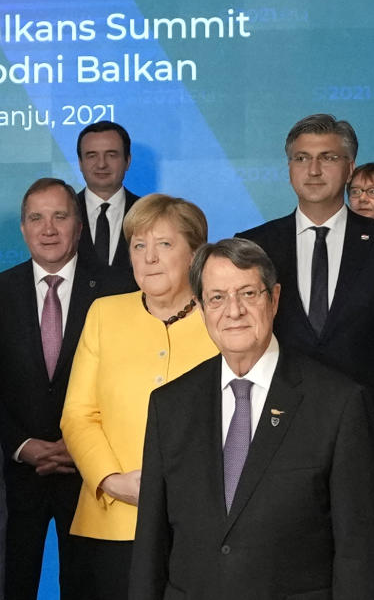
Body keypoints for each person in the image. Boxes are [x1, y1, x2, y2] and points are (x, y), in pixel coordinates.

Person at [237, 113, 374, 594]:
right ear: (288, 168)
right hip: (278, 446)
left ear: (349, 168)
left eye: (328, 157)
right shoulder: (255, 247)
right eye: (301, 158)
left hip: (373, 446)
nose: (313, 169)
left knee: (366, 578)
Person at [129, 238, 374, 599]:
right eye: (217, 297)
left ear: (274, 298)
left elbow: (360, 553)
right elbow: (150, 548)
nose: (233, 311)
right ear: (200, 309)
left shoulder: (339, 403)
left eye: (248, 293)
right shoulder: (169, 405)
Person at [60, 194, 218, 598]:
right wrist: (112, 481)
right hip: (108, 521)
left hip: (202, 525)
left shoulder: (225, 318)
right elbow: (78, 414)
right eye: (138, 245)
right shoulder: (103, 313)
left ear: (196, 253)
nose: (149, 258)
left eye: (164, 244)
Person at [0, 179, 121, 599]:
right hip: (14, 474)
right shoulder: (2, 291)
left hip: (91, 478)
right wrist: (19, 443)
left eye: (60, 216)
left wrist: (82, 445)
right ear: (22, 228)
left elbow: (124, 386)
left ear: (80, 226)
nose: (48, 229)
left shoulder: (117, 291)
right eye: (36, 217)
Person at [75, 121, 140, 288]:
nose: (101, 164)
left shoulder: (150, 213)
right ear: (80, 163)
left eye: (111, 155)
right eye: (91, 155)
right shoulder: (62, 213)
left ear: (128, 161)